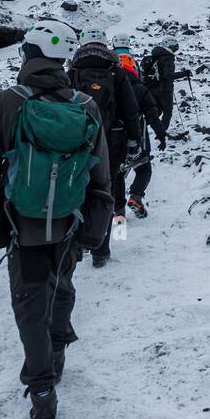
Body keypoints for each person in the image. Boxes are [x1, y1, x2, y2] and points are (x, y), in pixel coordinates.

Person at [0, 20, 113, 419]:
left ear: (29, 55)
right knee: (62, 282)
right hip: (70, 221)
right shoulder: (85, 105)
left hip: (22, 225)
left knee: (29, 304)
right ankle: (57, 349)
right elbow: (99, 171)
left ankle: (43, 394)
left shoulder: (5, 103)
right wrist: (98, 221)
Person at [68, 28, 140, 267]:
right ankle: (100, 250)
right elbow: (130, 110)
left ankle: (77, 243)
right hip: (112, 141)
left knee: (76, 188)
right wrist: (135, 139)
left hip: (77, 141)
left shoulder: (73, 72)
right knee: (104, 192)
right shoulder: (116, 72)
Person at [112, 35, 168, 218]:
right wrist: (161, 134)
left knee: (117, 173)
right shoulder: (140, 88)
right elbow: (152, 114)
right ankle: (136, 195)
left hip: (113, 136)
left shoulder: (110, 86)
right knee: (144, 168)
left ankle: (118, 211)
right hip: (139, 136)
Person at [141, 36, 180, 132]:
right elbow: (168, 76)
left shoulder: (156, 55)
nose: (176, 49)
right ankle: (162, 133)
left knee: (156, 111)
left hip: (153, 88)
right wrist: (183, 74)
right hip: (165, 90)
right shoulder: (168, 57)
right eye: (175, 47)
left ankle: (140, 126)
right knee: (167, 112)